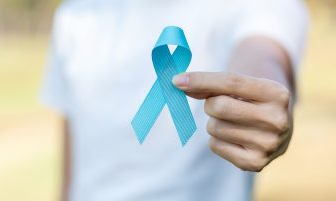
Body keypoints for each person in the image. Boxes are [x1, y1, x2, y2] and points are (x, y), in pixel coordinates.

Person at [40, 0, 309, 200]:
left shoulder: (251, 6)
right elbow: (75, 168)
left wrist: (257, 96)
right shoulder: (76, 15)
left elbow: (261, 53)